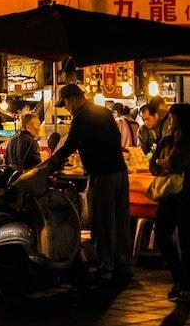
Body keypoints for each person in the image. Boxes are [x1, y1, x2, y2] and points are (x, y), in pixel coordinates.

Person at [49, 83, 132, 282]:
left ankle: (106, 268)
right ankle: (124, 265)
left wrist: (52, 162)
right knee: (121, 221)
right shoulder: (103, 112)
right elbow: (115, 138)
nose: (66, 108)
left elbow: (70, 145)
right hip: (120, 172)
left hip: (103, 175)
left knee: (103, 222)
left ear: (75, 98)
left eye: (66, 103)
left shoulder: (81, 118)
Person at [150, 103, 190, 302]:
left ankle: (185, 285)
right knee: (162, 236)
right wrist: (163, 165)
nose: (169, 120)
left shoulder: (187, 141)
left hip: (186, 196)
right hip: (168, 194)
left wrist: (165, 164)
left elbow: (177, 163)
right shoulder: (166, 139)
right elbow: (153, 164)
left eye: (173, 117)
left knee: (186, 240)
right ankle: (181, 279)